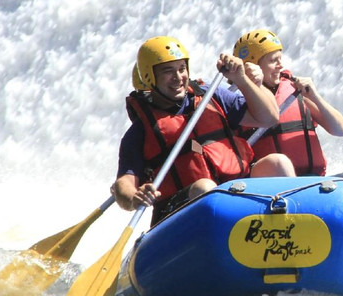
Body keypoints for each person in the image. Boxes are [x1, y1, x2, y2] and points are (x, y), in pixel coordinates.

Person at [113, 35, 293, 226]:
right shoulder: (140, 131)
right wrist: (134, 197)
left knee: (277, 163)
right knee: (205, 188)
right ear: (150, 76)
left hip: (236, 188)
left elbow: (268, 118)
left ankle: (293, 226)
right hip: (180, 211)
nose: (178, 77)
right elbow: (123, 184)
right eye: (168, 71)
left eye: (182, 69)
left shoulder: (211, 95)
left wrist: (241, 79)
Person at [232, 28, 343, 176]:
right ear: (253, 65)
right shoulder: (235, 101)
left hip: (309, 180)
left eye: (280, 59)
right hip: (267, 185)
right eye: (273, 60)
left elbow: (341, 130)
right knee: (279, 163)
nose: (280, 65)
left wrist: (315, 97)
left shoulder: (295, 91)